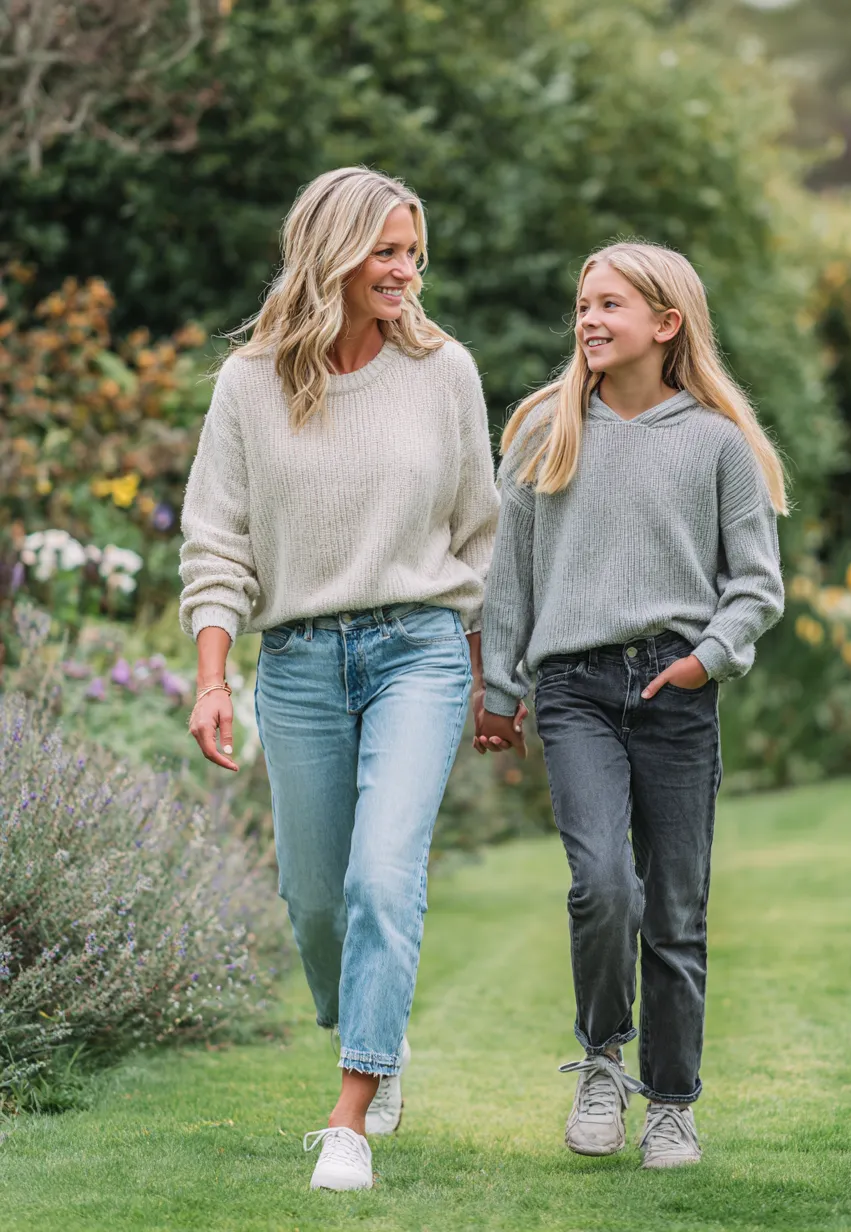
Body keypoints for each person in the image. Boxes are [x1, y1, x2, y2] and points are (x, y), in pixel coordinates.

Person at [179, 167, 501, 1192]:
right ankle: (371, 1026)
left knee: (381, 877)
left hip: (418, 651)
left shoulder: (445, 372)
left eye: (414, 252)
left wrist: (491, 680)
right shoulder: (249, 384)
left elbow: (480, 534)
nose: (406, 271)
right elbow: (216, 541)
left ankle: (351, 1112)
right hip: (300, 663)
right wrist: (212, 678)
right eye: (386, 252)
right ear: (332, 255)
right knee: (316, 900)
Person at [476, 241, 786, 1168]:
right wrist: (500, 691)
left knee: (677, 911)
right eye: (584, 305)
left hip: (674, 691)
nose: (589, 319)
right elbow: (508, 578)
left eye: (610, 304)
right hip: (574, 691)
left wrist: (705, 661)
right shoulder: (547, 432)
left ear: (666, 322)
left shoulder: (717, 443)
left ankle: (673, 1105)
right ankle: (603, 1062)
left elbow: (756, 585)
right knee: (604, 887)